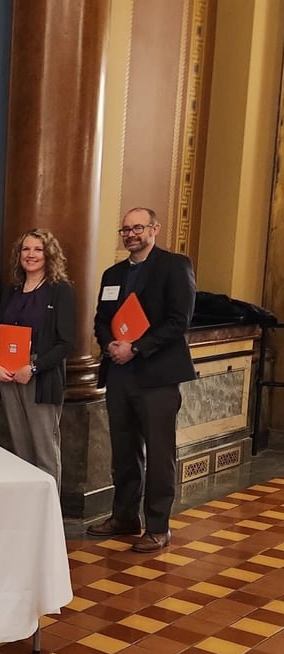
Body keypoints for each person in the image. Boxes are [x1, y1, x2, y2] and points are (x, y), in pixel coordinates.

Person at [87, 208, 196, 552]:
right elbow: (101, 319)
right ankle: (124, 516)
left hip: (157, 375)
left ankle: (158, 526)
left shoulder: (174, 266)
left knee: (160, 453)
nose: (131, 234)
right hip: (119, 374)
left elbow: (179, 320)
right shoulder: (113, 274)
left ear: (154, 229)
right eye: (126, 229)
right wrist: (110, 344)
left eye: (138, 227)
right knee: (123, 449)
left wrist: (135, 348)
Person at [0, 230, 76, 488]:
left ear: (49, 254)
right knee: (20, 447)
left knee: (44, 448)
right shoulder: (12, 290)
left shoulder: (60, 291)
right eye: (26, 249)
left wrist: (34, 368)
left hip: (40, 376)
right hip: (7, 373)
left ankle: (49, 508)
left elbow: (66, 343)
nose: (31, 254)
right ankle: (28, 506)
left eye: (38, 249)